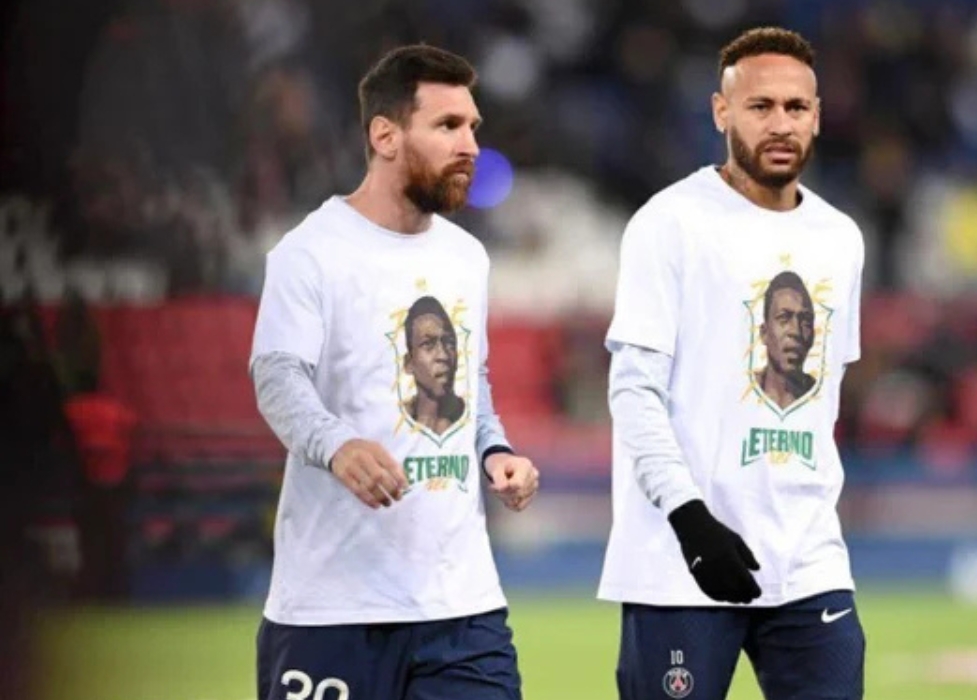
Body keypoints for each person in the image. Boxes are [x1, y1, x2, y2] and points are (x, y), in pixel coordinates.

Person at [250, 44, 539, 700]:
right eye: (447, 126)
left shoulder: (467, 257)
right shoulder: (310, 254)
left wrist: (496, 449)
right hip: (333, 610)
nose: (470, 144)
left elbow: (473, 383)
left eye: (473, 127)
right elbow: (277, 377)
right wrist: (338, 445)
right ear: (384, 135)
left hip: (463, 609)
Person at [600, 27, 866, 700]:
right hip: (680, 561)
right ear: (723, 113)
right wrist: (690, 519)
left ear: (818, 115)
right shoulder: (671, 225)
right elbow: (633, 391)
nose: (781, 124)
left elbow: (824, 398)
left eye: (796, 108)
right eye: (761, 107)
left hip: (808, 564)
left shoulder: (840, 239)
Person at [401, 295, 466, 436]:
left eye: (449, 343)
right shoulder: (396, 420)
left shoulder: (470, 416)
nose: (443, 355)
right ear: (409, 363)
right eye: (428, 344)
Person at [756, 270, 818, 410]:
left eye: (805, 322)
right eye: (784, 318)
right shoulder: (742, 393)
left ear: (813, 337)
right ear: (764, 333)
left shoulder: (823, 396)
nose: (795, 331)